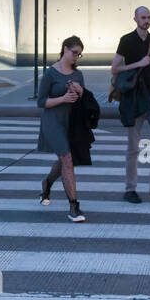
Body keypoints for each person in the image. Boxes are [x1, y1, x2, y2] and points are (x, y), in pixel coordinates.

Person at [112, 6, 150, 205]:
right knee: (133, 147)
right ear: (135, 19)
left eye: (149, 17)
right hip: (135, 99)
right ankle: (131, 189)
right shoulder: (126, 40)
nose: (147, 20)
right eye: (143, 17)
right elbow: (115, 68)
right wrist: (137, 64)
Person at [37, 35, 90, 222]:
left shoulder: (78, 74)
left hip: (71, 122)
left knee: (65, 160)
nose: (76, 57)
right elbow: (41, 101)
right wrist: (63, 99)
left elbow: (82, 97)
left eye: (79, 54)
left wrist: (79, 90)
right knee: (67, 159)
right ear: (65, 49)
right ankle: (74, 207)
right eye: (74, 53)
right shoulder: (50, 73)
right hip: (53, 122)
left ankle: (47, 183)